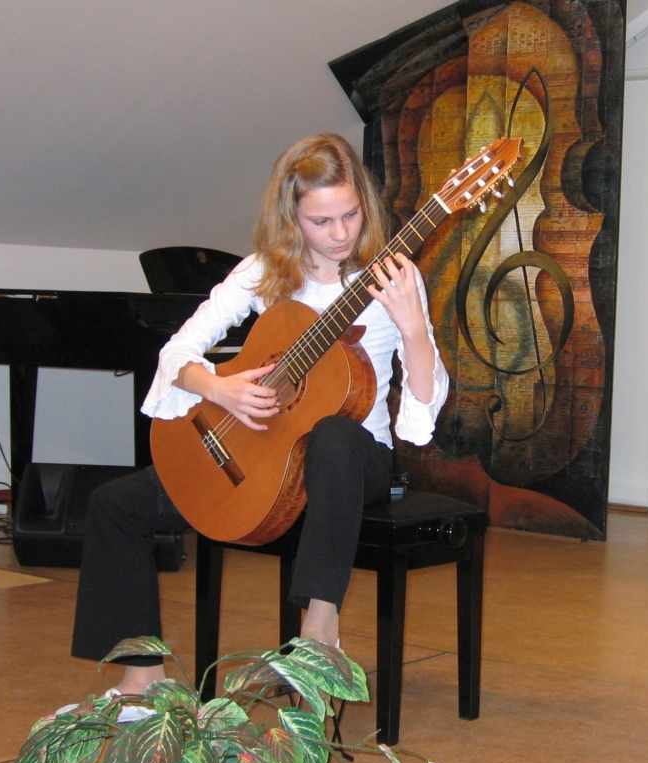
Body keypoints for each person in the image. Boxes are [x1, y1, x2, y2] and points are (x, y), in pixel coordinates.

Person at [67, 133, 449, 709]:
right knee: (113, 505)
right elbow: (176, 353)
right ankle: (142, 677)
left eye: (350, 214)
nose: (340, 234)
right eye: (321, 221)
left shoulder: (394, 275)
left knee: (332, 435)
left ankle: (317, 636)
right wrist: (221, 389)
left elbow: (421, 414)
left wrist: (413, 326)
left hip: (354, 459)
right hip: (266, 452)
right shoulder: (264, 272)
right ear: (291, 217)